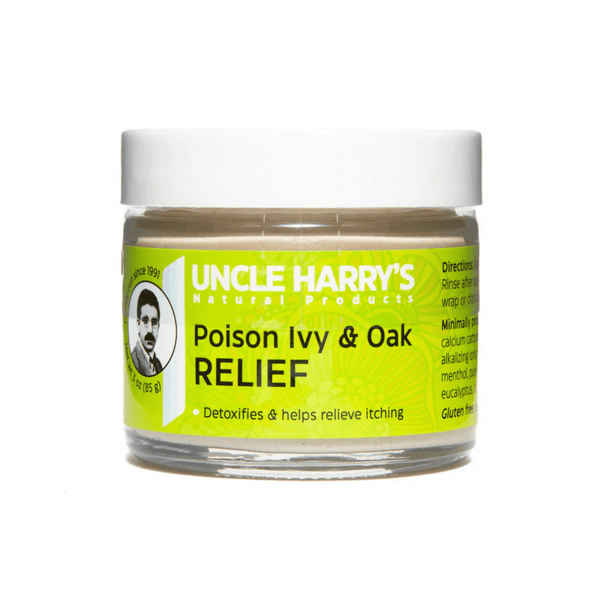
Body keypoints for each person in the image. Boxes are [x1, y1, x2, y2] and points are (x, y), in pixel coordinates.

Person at [131, 288, 163, 376]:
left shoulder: (158, 364)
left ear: (158, 326)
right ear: (138, 324)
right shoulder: (134, 361)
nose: (150, 330)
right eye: (145, 321)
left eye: (154, 323)